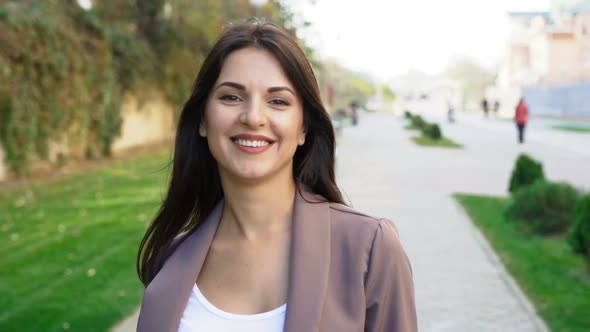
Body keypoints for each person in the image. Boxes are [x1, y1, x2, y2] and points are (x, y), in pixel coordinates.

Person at [136, 21, 417, 332]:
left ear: (304, 128)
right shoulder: (172, 259)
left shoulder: (370, 249)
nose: (253, 117)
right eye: (231, 97)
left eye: (278, 101)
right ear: (203, 120)